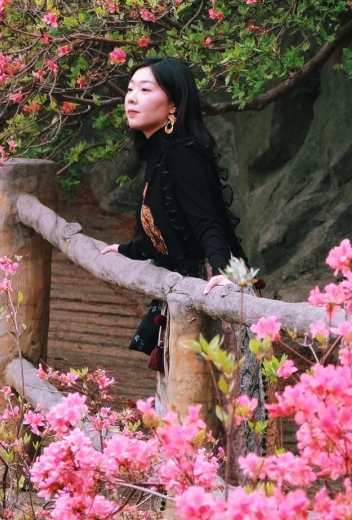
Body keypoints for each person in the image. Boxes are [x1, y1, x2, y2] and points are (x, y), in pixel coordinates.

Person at [102, 56, 246, 366]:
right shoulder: (159, 152)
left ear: (173, 104)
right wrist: (127, 250)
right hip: (184, 293)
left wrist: (222, 272)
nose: (132, 98)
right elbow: (169, 228)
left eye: (145, 89)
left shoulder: (183, 154)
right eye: (129, 90)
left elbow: (208, 223)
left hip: (208, 292)